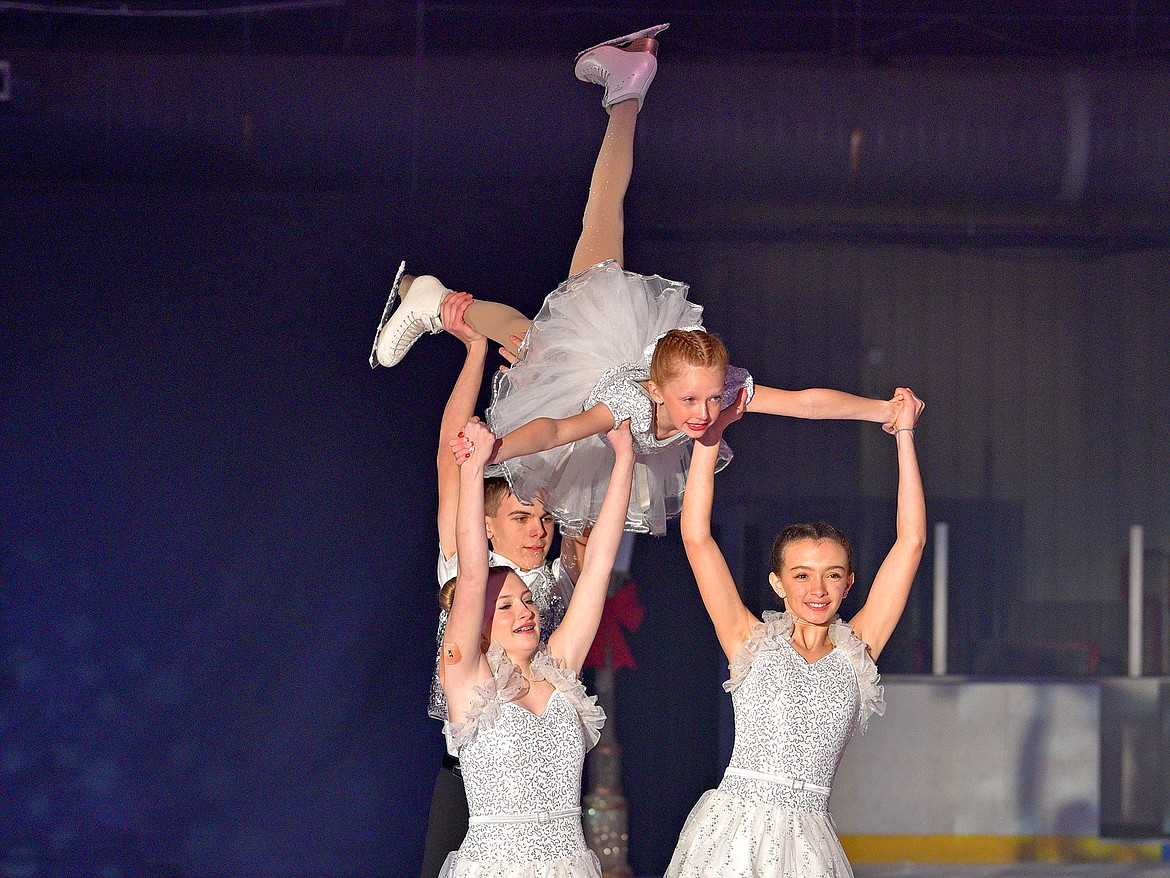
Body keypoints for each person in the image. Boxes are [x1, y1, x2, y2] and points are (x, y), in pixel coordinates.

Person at [370, 22, 902, 538]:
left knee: (528, 338)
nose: (705, 414)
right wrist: (499, 448)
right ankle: (627, 91)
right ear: (657, 388)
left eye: (712, 399)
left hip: (616, 361)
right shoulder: (630, 397)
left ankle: (433, 298)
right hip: (601, 343)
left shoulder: (722, 392)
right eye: (692, 401)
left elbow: (803, 401)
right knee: (594, 230)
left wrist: (883, 410)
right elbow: (557, 429)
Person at [664, 386, 926, 877]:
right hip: (733, 836)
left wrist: (904, 435)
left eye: (831, 574)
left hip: (809, 843)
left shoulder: (858, 651)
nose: (817, 589)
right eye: (802, 574)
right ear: (777, 582)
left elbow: (910, 543)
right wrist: (711, 436)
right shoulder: (748, 640)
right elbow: (695, 535)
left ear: (849, 583)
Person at [416, 288, 585, 878]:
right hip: (470, 783)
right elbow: (450, 456)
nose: (538, 529)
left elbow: (588, 490)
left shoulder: (562, 581)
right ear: (487, 524)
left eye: (544, 518)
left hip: (544, 798)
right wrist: (475, 353)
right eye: (520, 517)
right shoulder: (467, 565)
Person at [438, 413, 634, 877]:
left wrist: (625, 456)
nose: (524, 611)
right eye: (504, 606)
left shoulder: (560, 667)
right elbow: (470, 574)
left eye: (525, 600)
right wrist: (474, 469)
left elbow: (600, 561)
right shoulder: (468, 681)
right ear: (479, 625)